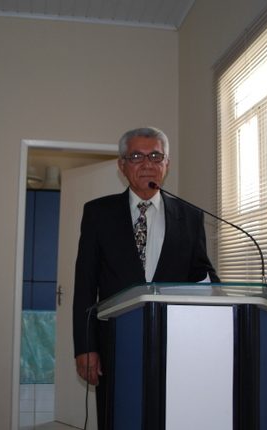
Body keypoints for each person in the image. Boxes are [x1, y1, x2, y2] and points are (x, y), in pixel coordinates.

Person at [72, 126, 219, 429]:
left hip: (175, 343)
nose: (147, 164)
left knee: (168, 416)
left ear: (167, 164)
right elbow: (85, 284)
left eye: (155, 156)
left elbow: (202, 275)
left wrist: (219, 301)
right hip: (114, 342)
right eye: (136, 156)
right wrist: (85, 346)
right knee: (118, 417)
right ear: (121, 165)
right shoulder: (98, 213)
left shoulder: (190, 216)